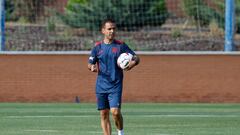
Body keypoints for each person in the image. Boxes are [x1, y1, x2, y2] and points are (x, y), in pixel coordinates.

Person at [87, 19, 140, 135]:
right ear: (103, 31)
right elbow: (90, 63)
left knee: (115, 112)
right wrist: (92, 67)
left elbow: (136, 57)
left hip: (115, 85)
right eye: (109, 29)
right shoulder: (97, 48)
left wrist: (132, 63)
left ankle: (120, 133)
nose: (112, 31)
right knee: (104, 113)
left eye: (113, 29)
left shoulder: (121, 46)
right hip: (101, 85)